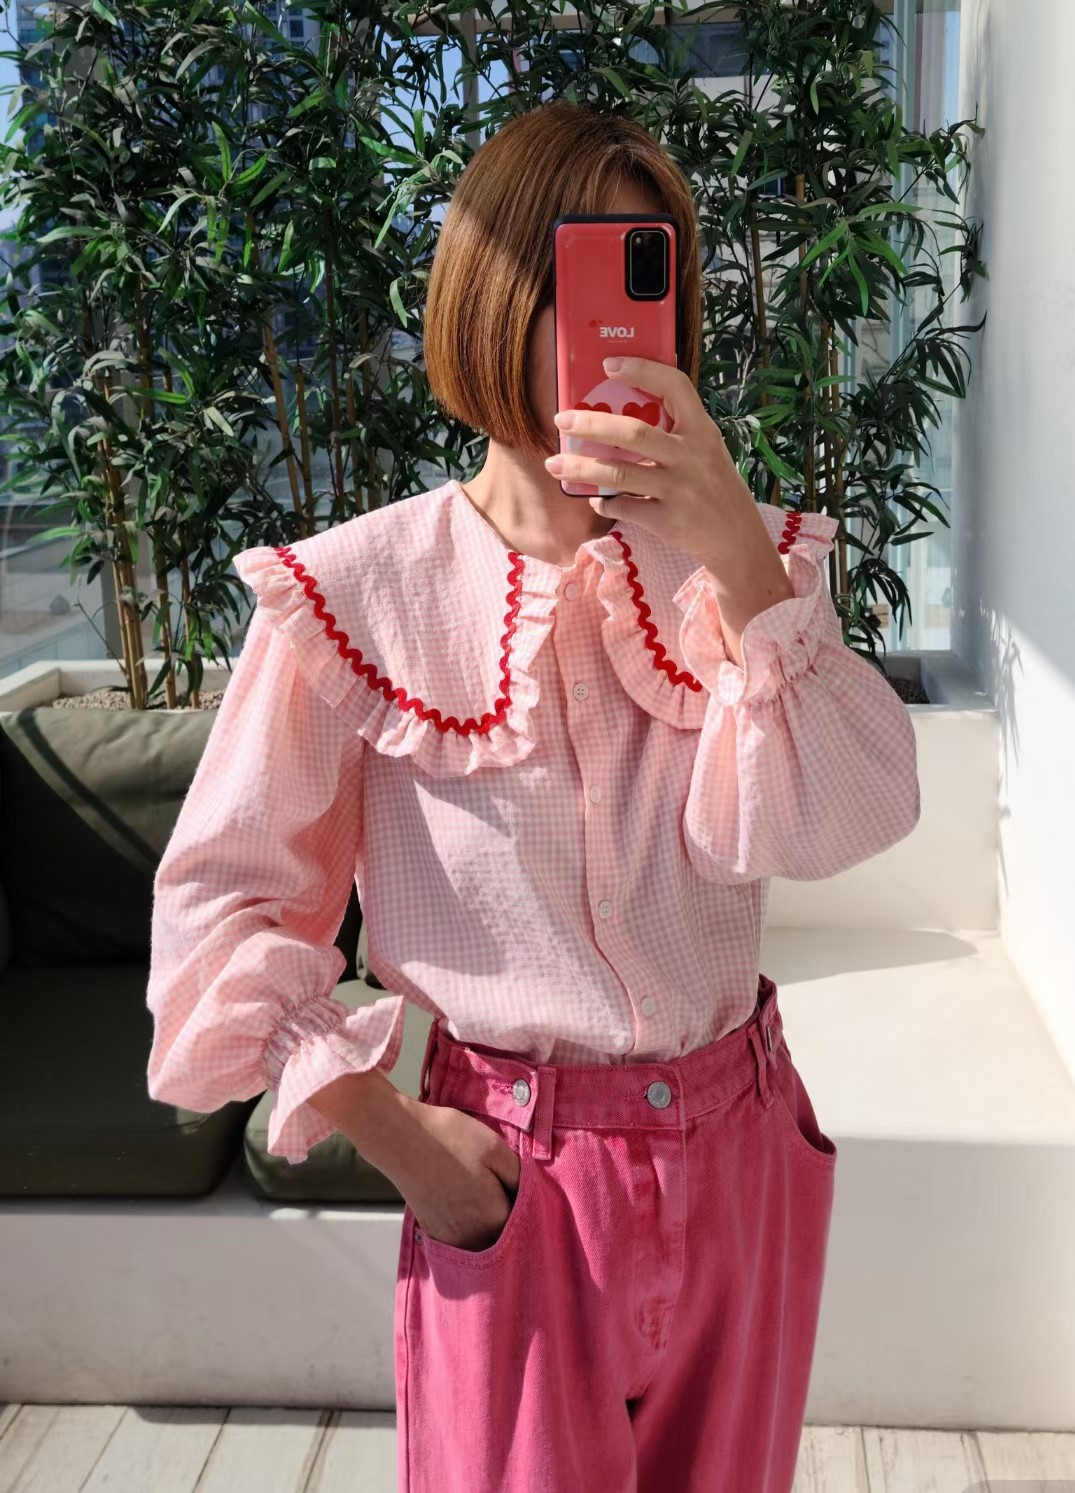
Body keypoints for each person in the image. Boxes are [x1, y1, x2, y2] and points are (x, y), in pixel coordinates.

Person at [146, 99, 921, 1493]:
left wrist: (740, 557)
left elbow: (838, 822)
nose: (618, 316)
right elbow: (221, 913)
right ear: (493, 295)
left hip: (743, 1151)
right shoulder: (358, 597)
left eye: (649, 270)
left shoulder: (747, 573)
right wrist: (403, 1140)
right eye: (583, 267)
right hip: (512, 1179)